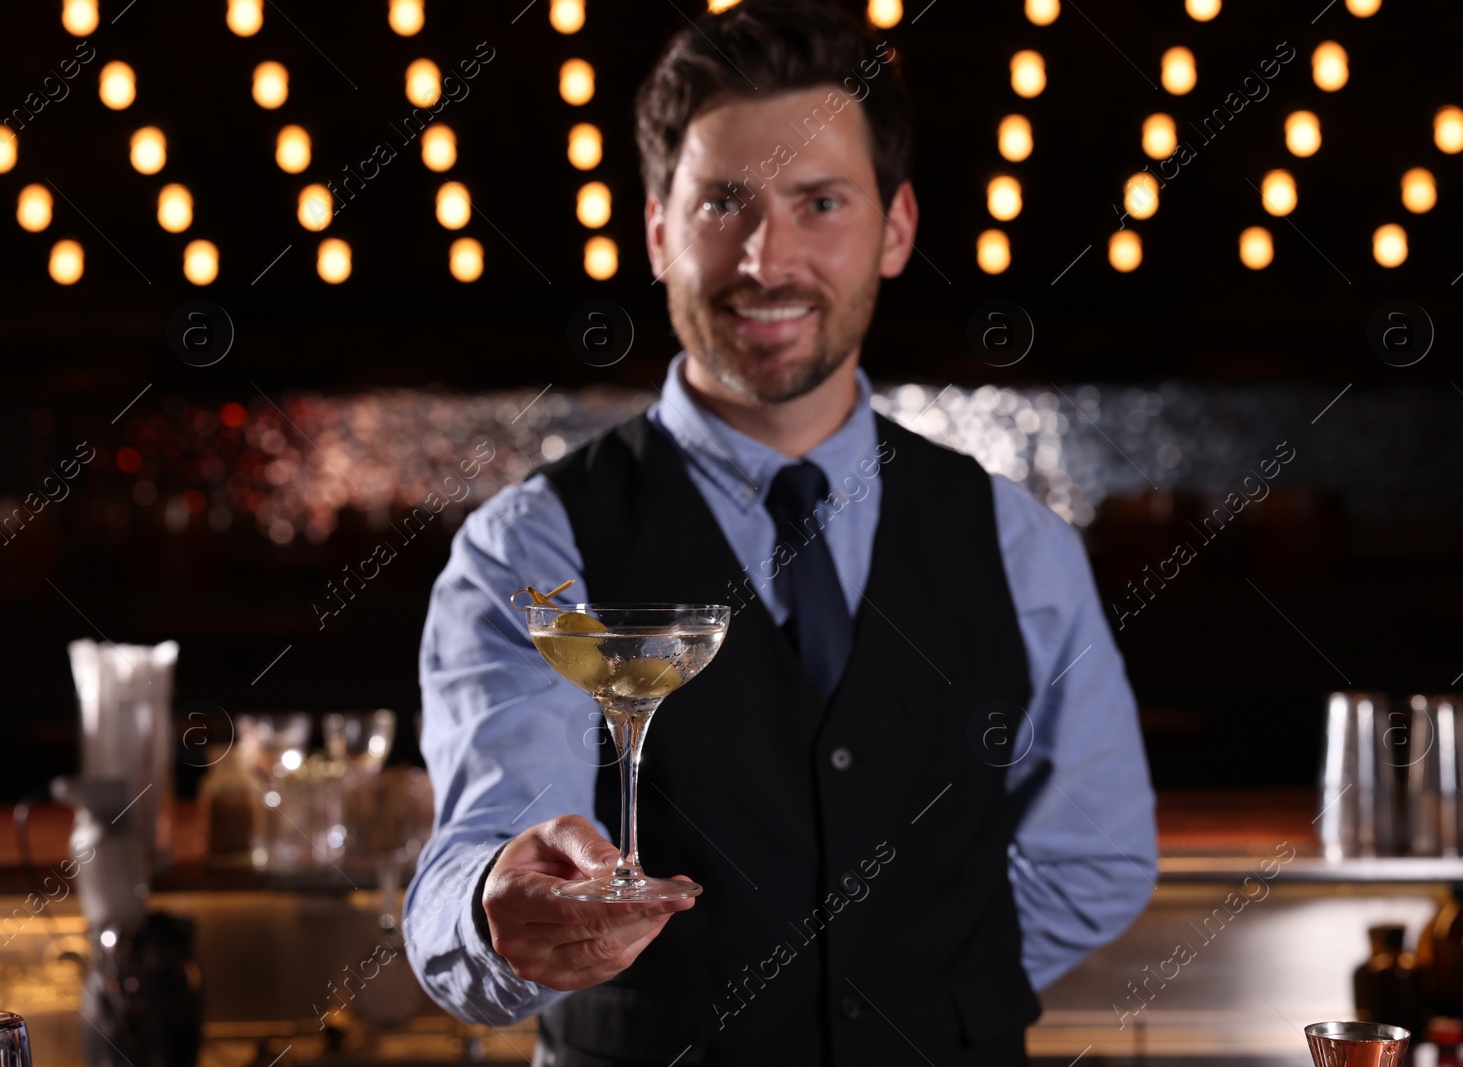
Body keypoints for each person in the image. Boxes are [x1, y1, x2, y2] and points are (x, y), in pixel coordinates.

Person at [403, 1, 1158, 1064]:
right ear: (658, 229)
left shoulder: (1014, 540)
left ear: (894, 228)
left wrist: (911, 987)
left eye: (819, 202)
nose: (768, 258)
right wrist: (500, 902)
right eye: (722, 204)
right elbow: (480, 845)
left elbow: (1098, 855)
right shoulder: (530, 546)